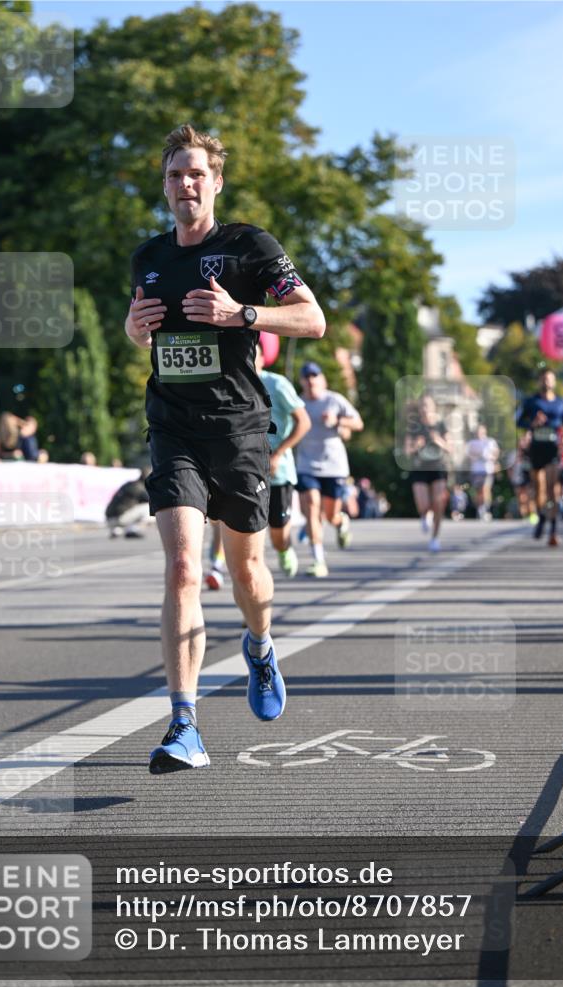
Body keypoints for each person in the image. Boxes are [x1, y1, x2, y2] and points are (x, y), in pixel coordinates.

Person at [125, 124, 325, 773]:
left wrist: (242, 314)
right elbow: (144, 333)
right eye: (174, 174)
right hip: (173, 427)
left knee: (247, 575)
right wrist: (133, 329)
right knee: (184, 567)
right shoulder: (148, 257)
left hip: (239, 429)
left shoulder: (248, 247)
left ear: (215, 182)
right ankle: (184, 723)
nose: (185, 184)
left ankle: (260, 646)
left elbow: (313, 319)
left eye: (196, 173)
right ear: (164, 187)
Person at [295, 362, 363, 577]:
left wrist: (338, 421)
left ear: (322, 379)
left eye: (314, 376)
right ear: (302, 381)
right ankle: (318, 560)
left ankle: (341, 522)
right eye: (307, 377)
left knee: (330, 515)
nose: (311, 380)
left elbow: (358, 423)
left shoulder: (334, 400)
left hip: (334, 466)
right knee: (312, 507)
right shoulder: (298, 403)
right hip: (306, 464)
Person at [254, 339, 311, 577]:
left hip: (278, 471)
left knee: (278, 534)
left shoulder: (277, 384)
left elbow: (304, 422)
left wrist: (277, 454)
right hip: (246, 469)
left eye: (253, 354)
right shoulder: (232, 383)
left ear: (262, 358)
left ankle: (284, 548)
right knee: (250, 529)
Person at [517, 369, 563, 546]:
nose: (547, 382)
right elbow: (518, 421)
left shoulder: (561, 402)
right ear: (540, 381)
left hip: (553, 450)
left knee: (552, 489)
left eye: (550, 379)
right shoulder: (531, 401)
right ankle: (541, 517)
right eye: (544, 379)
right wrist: (532, 423)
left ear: (554, 382)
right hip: (536, 449)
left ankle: (553, 530)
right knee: (539, 489)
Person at [404, 394, 452, 553]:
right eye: (422, 405)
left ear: (434, 407)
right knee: (423, 505)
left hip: (438, 468)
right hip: (420, 469)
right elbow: (407, 451)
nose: (425, 409)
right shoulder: (414, 426)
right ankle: (425, 515)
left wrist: (439, 441)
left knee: (439, 504)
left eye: (428, 405)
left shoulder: (441, 425)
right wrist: (416, 446)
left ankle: (435, 538)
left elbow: (451, 448)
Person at [466, 424, 500, 520]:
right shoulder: (472, 442)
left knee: (486, 489)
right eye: (478, 431)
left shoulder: (490, 441)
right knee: (478, 491)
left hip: (487, 469)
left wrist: (491, 458)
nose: (479, 433)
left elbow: (496, 453)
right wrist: (476, 455)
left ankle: (486, 509)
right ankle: (480, 509)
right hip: (476, 471)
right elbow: (468, 455)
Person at [105, 471, 150, 538]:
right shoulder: (139, 487)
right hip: (120, 518)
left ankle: (118, 530)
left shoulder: (128, 484)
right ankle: (133, 529)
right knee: (148, 507)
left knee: (133, 507)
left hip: (109, 519)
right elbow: (149, 499)